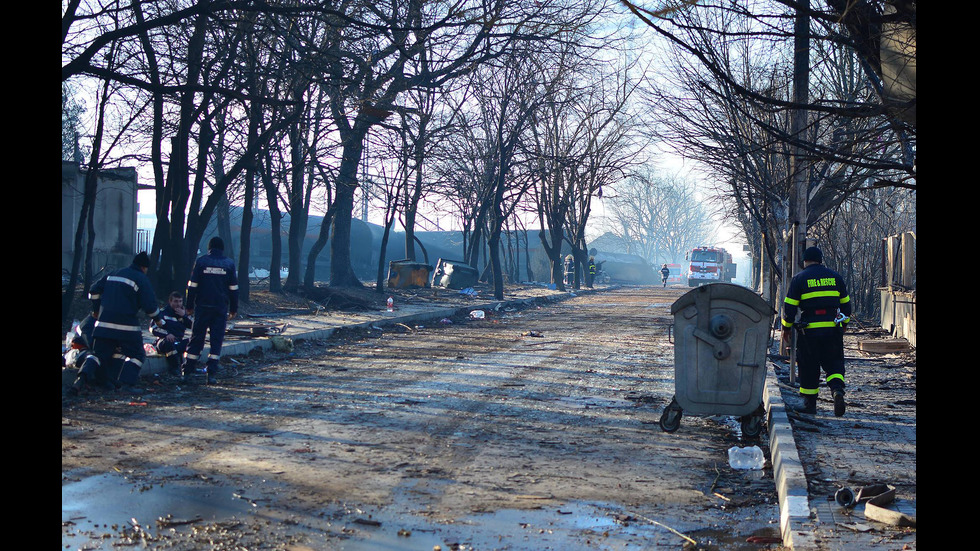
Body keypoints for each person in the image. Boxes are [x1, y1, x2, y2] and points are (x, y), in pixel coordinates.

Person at [69, 252, 163, 395]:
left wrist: (96, 310)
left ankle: (81, 381)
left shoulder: (114, 273)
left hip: (103, 326)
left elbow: (93, 291)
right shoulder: (141, 278)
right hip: (127, 327)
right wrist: (158, 320)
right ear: (144, 267)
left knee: (98, 355)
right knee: (137, 355)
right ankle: (126, 384)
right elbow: (150, 306)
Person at [781, 246, 851, 416]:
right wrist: (843, 324)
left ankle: (810, 405)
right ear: (820, 260)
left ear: (805, 261)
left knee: (809, 367)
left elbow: (789, 308)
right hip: (832, 330)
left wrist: (786, 328)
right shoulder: (835, 277)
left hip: (809, 332)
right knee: (834, 363)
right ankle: (837, 391)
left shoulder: (799, 279)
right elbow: (846, 306)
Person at [181, 237, 239, 385]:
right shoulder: (229, 264)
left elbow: (192, 287)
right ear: (222, 248)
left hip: (202, 307)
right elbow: (233, 289)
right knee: (216, 341)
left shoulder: (201, 262)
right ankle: (211, 374)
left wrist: (189, 306)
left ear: (209, 248)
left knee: (196, 339)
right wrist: (233, 309)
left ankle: (187, 372)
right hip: (220, 308)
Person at [151, 291, 193, 376]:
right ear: (170, 301)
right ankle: (174, 368)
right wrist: (166, 334)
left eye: (180, 301)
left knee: (195, 342)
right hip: (164, 341)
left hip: (178, 341)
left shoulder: (183, 313)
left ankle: (190, 367)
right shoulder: (163, 313)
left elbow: (195, 327)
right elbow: (153, 328)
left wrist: (184, 316)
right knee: (169, 343)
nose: (178, 304)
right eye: (176, 301)